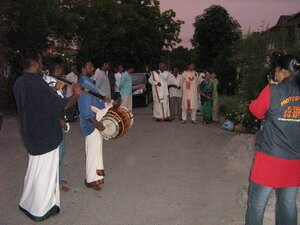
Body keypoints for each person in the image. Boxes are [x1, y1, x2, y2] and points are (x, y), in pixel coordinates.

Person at [13, 49, 80, 221]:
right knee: (46, 175)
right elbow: (63, 105)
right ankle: (41, 209)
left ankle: (28, 203)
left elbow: (39, 107)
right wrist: (76, 94)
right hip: (45, 138)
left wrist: (53, 91)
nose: (43, 65)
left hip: (31, 135)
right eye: (41, 62)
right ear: (35, 63)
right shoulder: (38, 84)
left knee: (34, 172)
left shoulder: (19, 82)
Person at [245, 54, 300, 225]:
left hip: (270, 157)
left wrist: (270, 88)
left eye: (276, 70)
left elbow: (256, 110)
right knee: (288, 204)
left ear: (283, 72)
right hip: (295, 159)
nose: (275, 74)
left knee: (257, 205)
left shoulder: (273, 90)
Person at [77, 60, 107, 192]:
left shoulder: (88, 82)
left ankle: (96, 177)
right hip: (92, 124)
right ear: (84, 69)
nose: (93, 68)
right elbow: (85, 109)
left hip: (96, 121)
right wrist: (96, 123)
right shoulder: (83, 84)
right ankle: (91, 180)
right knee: (92, 153)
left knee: (96, 152)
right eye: (90, 67)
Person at [43, 57, 71, 192]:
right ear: (58, 69)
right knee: (58, 154)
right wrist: (60, 119)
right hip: (55, 124)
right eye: (62, 69)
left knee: (61, 152)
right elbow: (53, 105)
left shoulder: (53, 81)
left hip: (57, 122)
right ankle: (55, 184)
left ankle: (57, 178)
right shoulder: (49, 83)